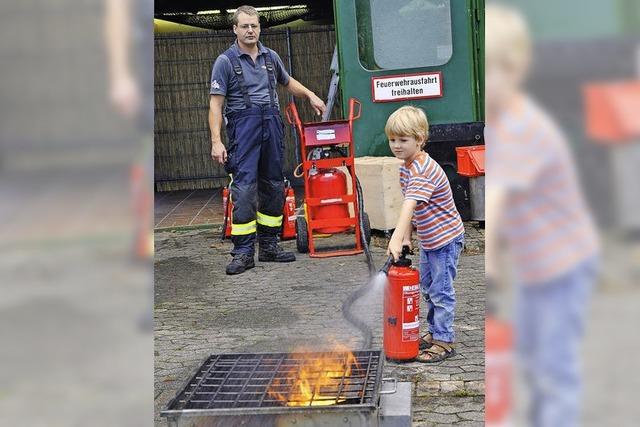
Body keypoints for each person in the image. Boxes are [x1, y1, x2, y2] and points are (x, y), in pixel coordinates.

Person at [485, 4, 599, 426]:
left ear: (516, 71)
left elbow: (497, 196)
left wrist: (491, 265)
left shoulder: (524, 125)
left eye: (494, 72)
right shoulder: (500, 123)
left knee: (555, 367)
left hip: (565, 265)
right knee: (530, 356)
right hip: (537, 266)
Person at [209, 5, 326, 275]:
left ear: (259, 28)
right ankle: (243, 252)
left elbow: (287, 82)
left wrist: (309, 95)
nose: (250, 30)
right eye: (245, 26)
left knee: (273, 186)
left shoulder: (270, 57)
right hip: (243, 130)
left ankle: (270, 246)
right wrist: (217, 141)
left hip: (271, 127)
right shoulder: (225, 62)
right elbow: (216, 105)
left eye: (254, 26)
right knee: (246, 191)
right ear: (235, 29)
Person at [385, 106, 465, 363]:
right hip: (430, 240)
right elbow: (411, 203)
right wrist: (407, 236)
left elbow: (409, 205)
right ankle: (434, 332)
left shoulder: (422, 169)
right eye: (392, 140)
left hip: (445, 240)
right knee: (429, 288)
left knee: (441, 291)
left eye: (403, 140)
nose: (396, 146)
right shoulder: (405, 168)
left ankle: (444, 339)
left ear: (420, 140)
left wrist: (395, 238)